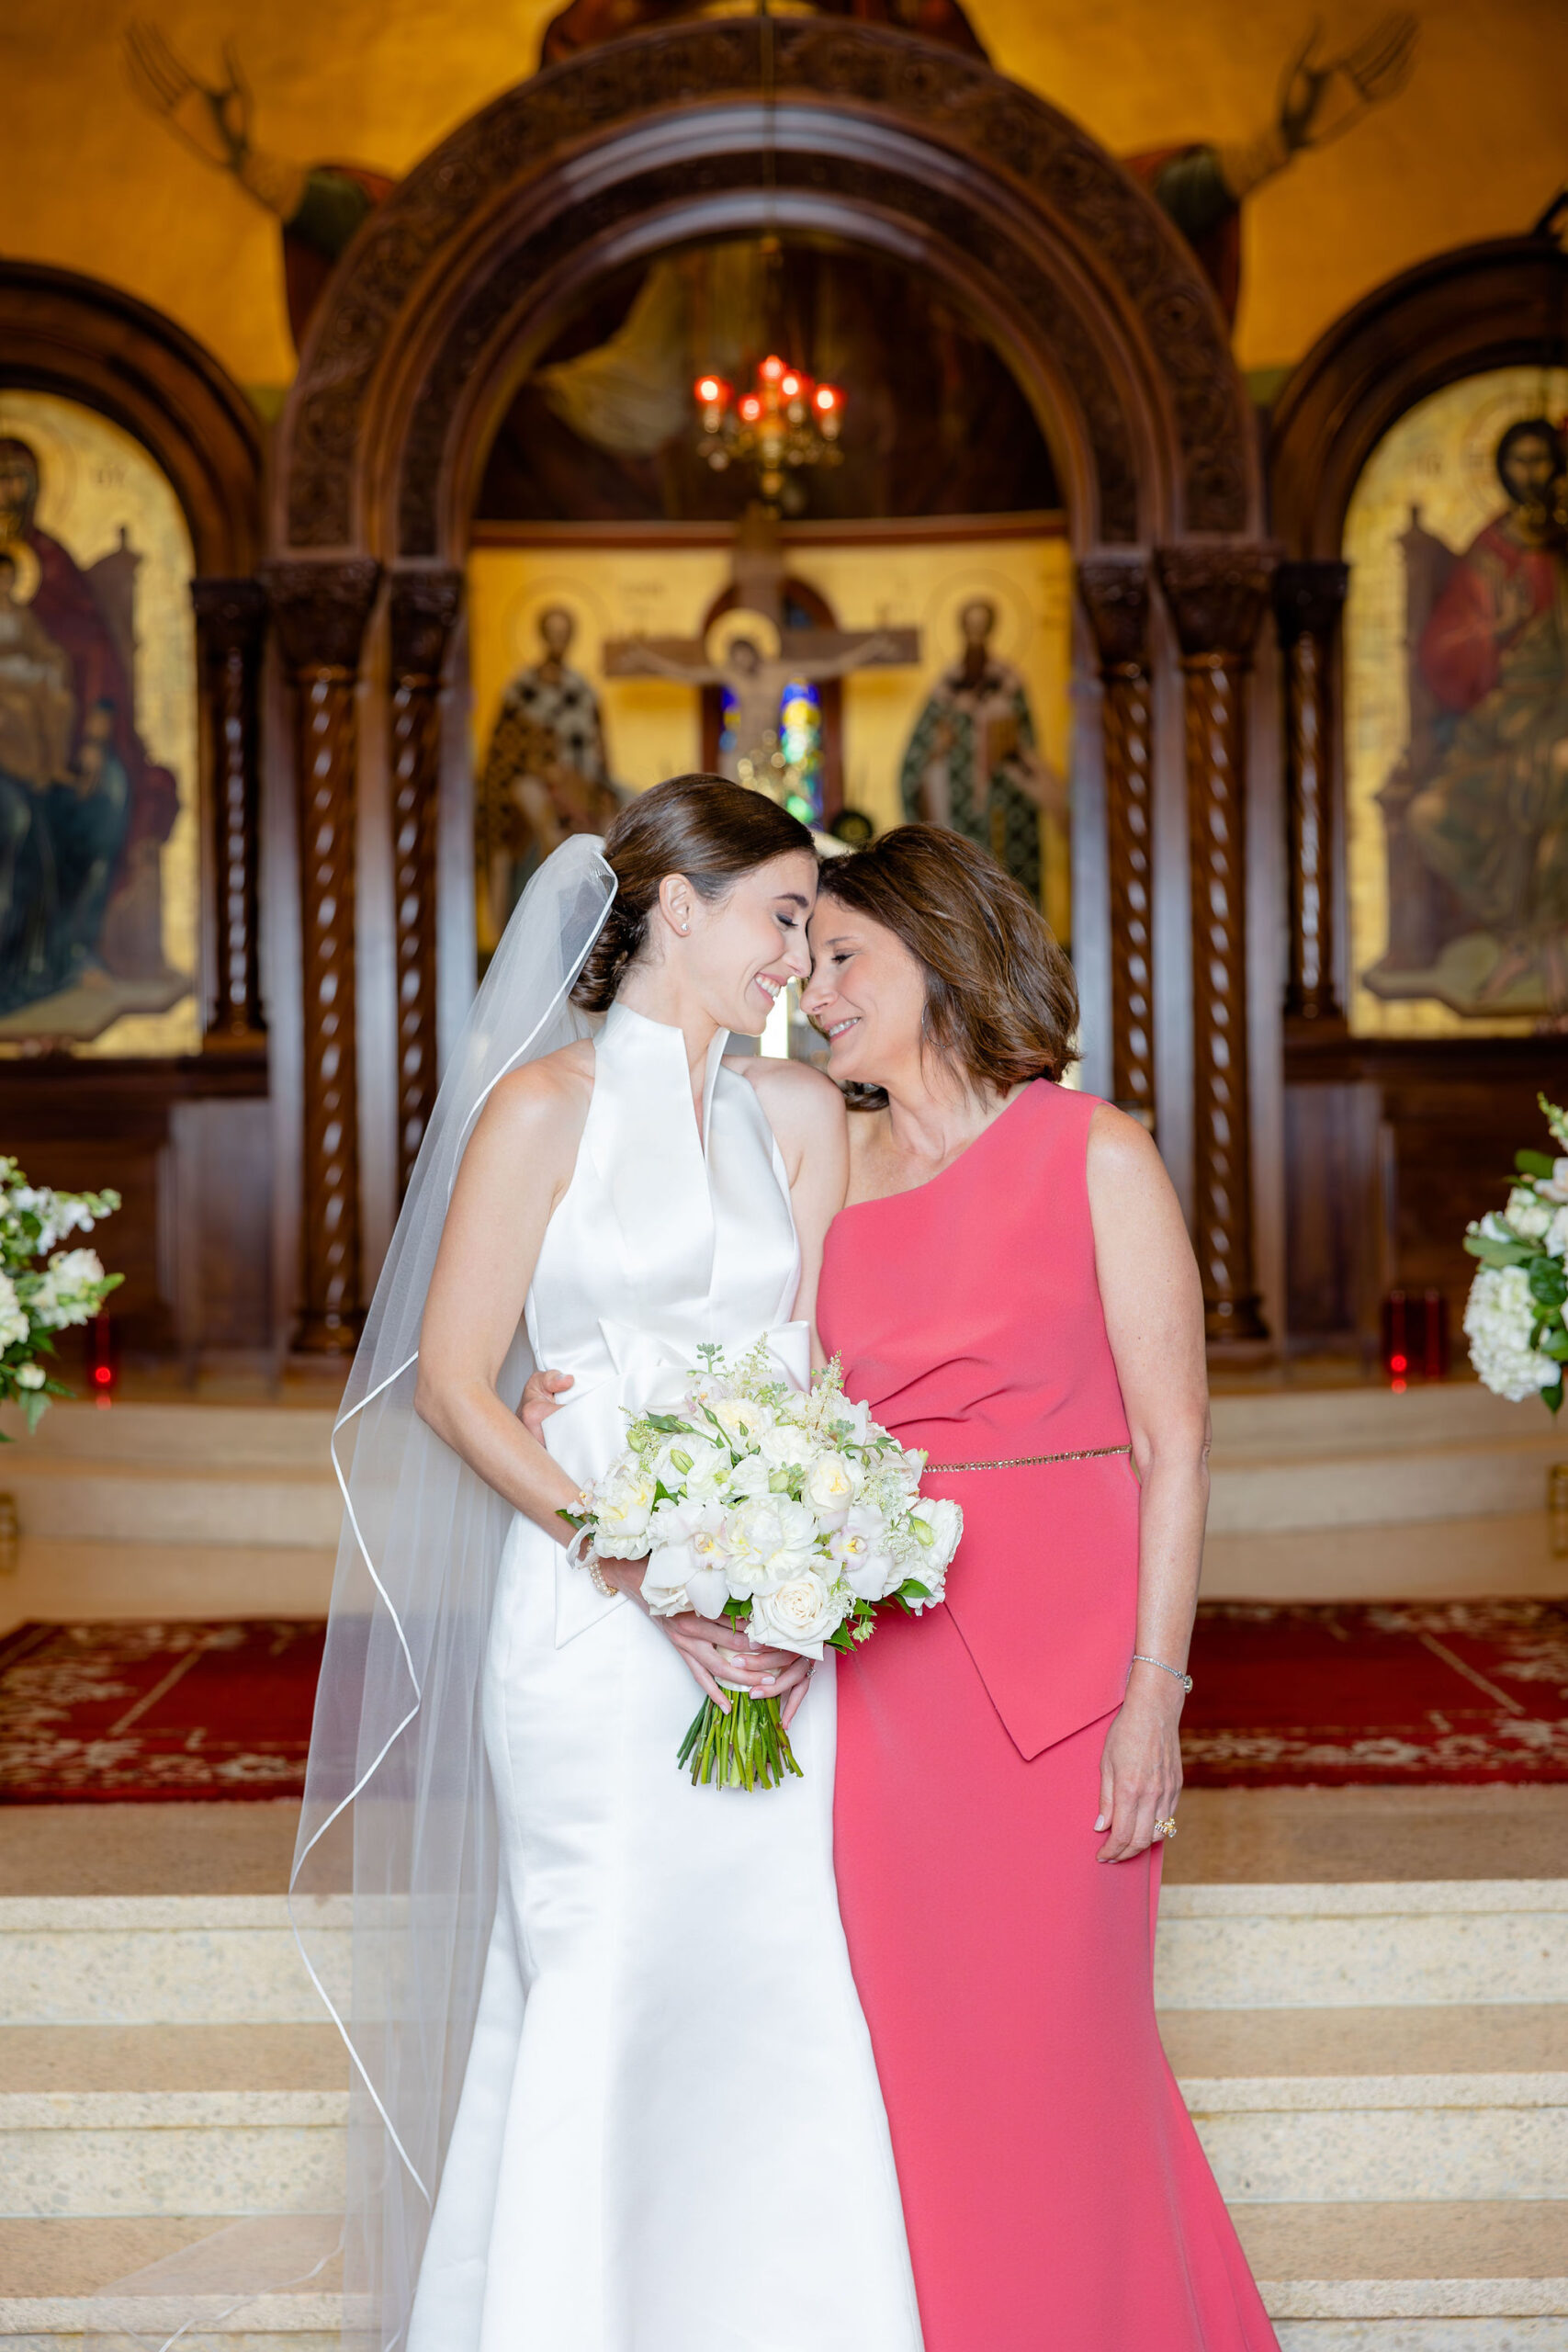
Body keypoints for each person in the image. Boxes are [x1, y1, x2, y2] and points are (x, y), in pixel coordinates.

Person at [299, 777, 922, 2351]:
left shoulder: (795, 1119)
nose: (802, 953)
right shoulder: (540, 1110)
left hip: (771, 1624)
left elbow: (817, 1379)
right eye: (782, 916)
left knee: (773, 1973)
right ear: (675, 908)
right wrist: (638, 1570)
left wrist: (804, 1579)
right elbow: (449, 1384)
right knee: (607, 1969)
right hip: (588, 1614)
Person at [797, 825, 1278, 2351]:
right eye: (805, 961)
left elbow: (1174, 1444)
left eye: (840, 957)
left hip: (1068, 1683)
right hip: (879, 1686)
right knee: (923, 2082)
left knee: (1063, 2066)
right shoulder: (819, 1156)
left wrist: (1153, 1699)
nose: (811, 992)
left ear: (934, 954)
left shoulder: (1093, 1150)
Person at [1408, 416, 1568, 1012]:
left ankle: (1545, 949)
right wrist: (1493, 631)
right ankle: (1522, 939)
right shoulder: (1492, 552)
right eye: (1518, 462)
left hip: (1557, 715)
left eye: (1541, 461)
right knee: (1428, 815)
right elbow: (1443, 648)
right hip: (1500, 723)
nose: (1531, 475)